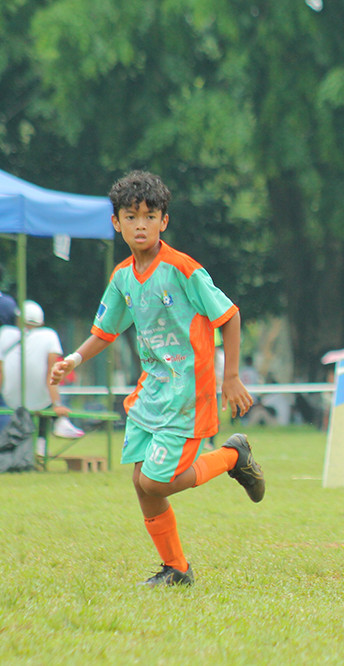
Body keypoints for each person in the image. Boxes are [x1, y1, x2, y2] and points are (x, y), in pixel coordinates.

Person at [48, 170, 264, 587]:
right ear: (117, 223)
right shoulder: (123, 277)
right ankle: (176, 569)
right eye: (131, 216)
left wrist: (231, 376)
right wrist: (73, 359)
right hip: (151, 390)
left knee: (156, 481)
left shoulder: (183, 269)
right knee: (141, 483)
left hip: (188, 391)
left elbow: (230, 315)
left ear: (164, 221)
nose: (141, 224)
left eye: (150, 216)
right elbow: (104, 331)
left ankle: (233, 457)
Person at [0, 300, 84, 455]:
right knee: (48, 397)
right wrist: (57, 404)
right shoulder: (49, 336)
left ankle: (37, 443)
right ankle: (53, 431)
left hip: (10, 398)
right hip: (39, 400)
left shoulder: (5, 333)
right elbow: (51, 374)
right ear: (41, 321)